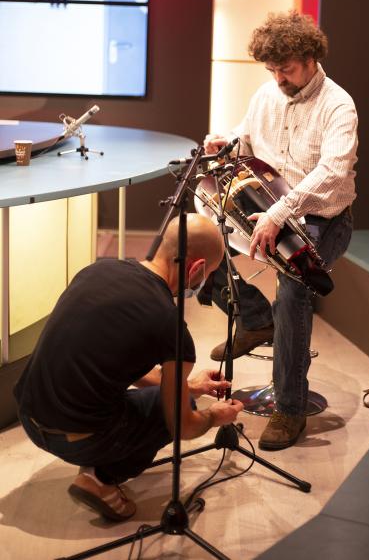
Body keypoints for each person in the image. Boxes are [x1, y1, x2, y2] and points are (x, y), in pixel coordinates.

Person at [14, 213, 244, 522]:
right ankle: (101, 479)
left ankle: (94, 461)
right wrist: (215, 415)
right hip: (78, 439)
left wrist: (189, 384)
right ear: (197, 268)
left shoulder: (97, 269)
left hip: (29, 417)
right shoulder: (170, 325)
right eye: (209, 274)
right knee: (181, 407)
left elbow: (119, 364)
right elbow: (182, 426)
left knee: (179, 395)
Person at [203, 9, 358, 451]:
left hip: (323, 219)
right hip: (269, 211)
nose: (277, 77)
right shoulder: (266, 95)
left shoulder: (338, 105)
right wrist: (226, 142)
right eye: (271, 69)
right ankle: (254, 320)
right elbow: (246, 138)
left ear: (310, 57)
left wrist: (280, 213)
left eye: (285, 69)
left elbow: (332, 171)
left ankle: (289, 409)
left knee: (292, 292)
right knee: (198, 237)